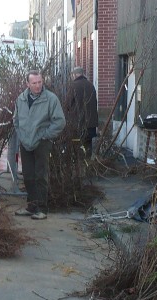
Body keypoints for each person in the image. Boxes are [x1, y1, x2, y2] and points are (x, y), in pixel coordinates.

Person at [13, 70, 66, 220]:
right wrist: (22, 135)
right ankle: (31, 206)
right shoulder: (21, 99)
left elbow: (60, 122)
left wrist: (45, 135)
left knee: (40, 175)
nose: (37, 86)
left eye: (40, 82)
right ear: (27, 84)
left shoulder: (50, 99)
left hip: (42, 142)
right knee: (28, 176)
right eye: (34, 83)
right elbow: (16, 120)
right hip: (26, 142)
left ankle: (42, 208)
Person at [65, 66, 99, 155]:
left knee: (77, 147)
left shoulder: (73, 86)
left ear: (75, 74)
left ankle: (79, 166)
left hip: (78, 124)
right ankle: (87, 165)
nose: (72, 77)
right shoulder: (90, 85)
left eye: (72, 75)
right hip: (91, 124)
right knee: (88, 147)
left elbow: (67, 104)